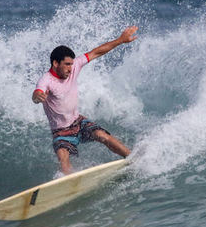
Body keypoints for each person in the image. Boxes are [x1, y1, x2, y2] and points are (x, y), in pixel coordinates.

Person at [32, 26, 137, 175]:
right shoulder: (46, 80)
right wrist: (38, 97)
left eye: (71, 64)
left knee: (103, 136)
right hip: (60, 131)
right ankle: (69, 183)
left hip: (78, 122)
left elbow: (96, 52)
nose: (71, 68)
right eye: (67, 64)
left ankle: (133, 158)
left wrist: (120, 40)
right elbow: (37, 94)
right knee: (63, 156)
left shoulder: (74, 67)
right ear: (56, 64)